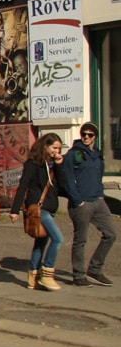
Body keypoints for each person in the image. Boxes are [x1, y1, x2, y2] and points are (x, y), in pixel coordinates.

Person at [9, 133, 67, 291]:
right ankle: (47, 274)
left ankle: (33, 277)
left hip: (50, 208)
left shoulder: (53, 165)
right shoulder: (33, 164)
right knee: (58, 239)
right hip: (39, 209)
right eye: (54, 148)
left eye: (59, 149)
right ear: (45, 146)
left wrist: (60, 166)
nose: (56, 151)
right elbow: (23, 186)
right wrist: (15, 210)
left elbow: (62, 186)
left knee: (41, 242)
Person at [61, 122, 116, 287]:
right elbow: (67, 179)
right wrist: (77, 200)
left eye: (90, 135)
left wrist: (100, 195)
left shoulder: (98, 155)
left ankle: (95, 269)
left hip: (97, 200)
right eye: (83, 134)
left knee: (111, 234)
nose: (86, 137)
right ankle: (78, 275)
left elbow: (99, 176)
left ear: (95, 137)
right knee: (81, 240)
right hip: (81, 203)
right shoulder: (73, 154)